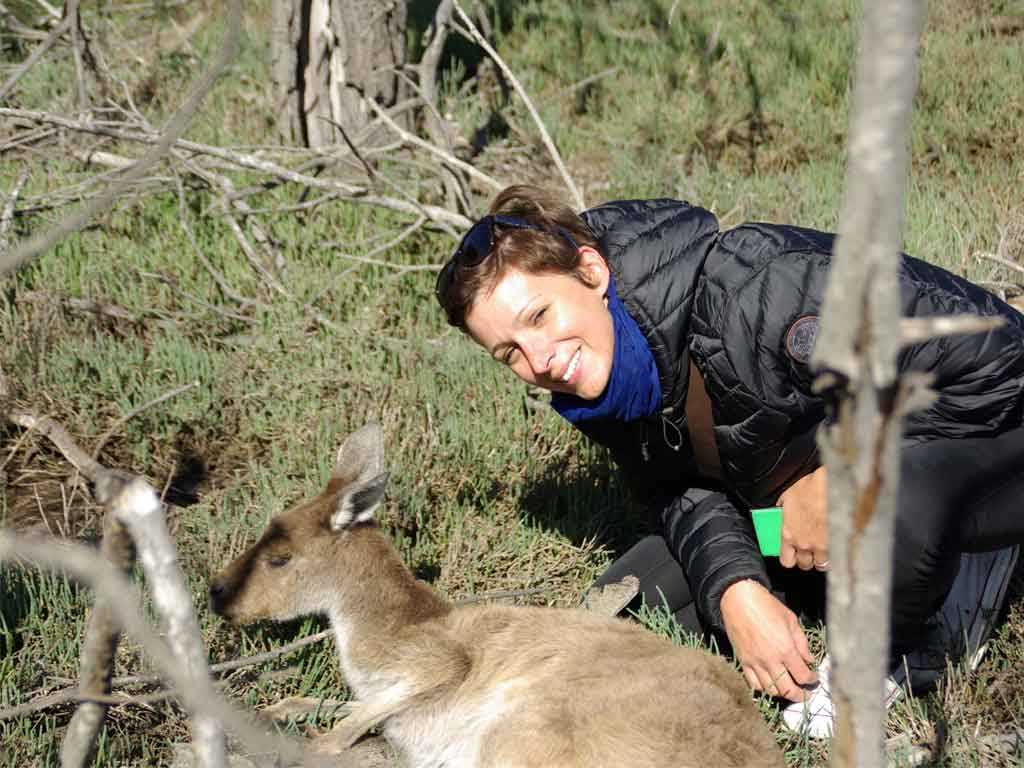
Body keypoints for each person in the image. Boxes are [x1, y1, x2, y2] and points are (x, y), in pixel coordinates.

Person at [433, 185, 1024, 736]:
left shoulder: (762, 287)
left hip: (993, 456)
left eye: (538, 316)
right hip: (802, 507)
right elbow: (679, 489)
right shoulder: (608, 379)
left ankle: (927, 626)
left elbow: (1003, 359)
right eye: (510, 351)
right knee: (644, 597)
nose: (539, 359)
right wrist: (737, 590)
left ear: (592, 270)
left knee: (898, 503)